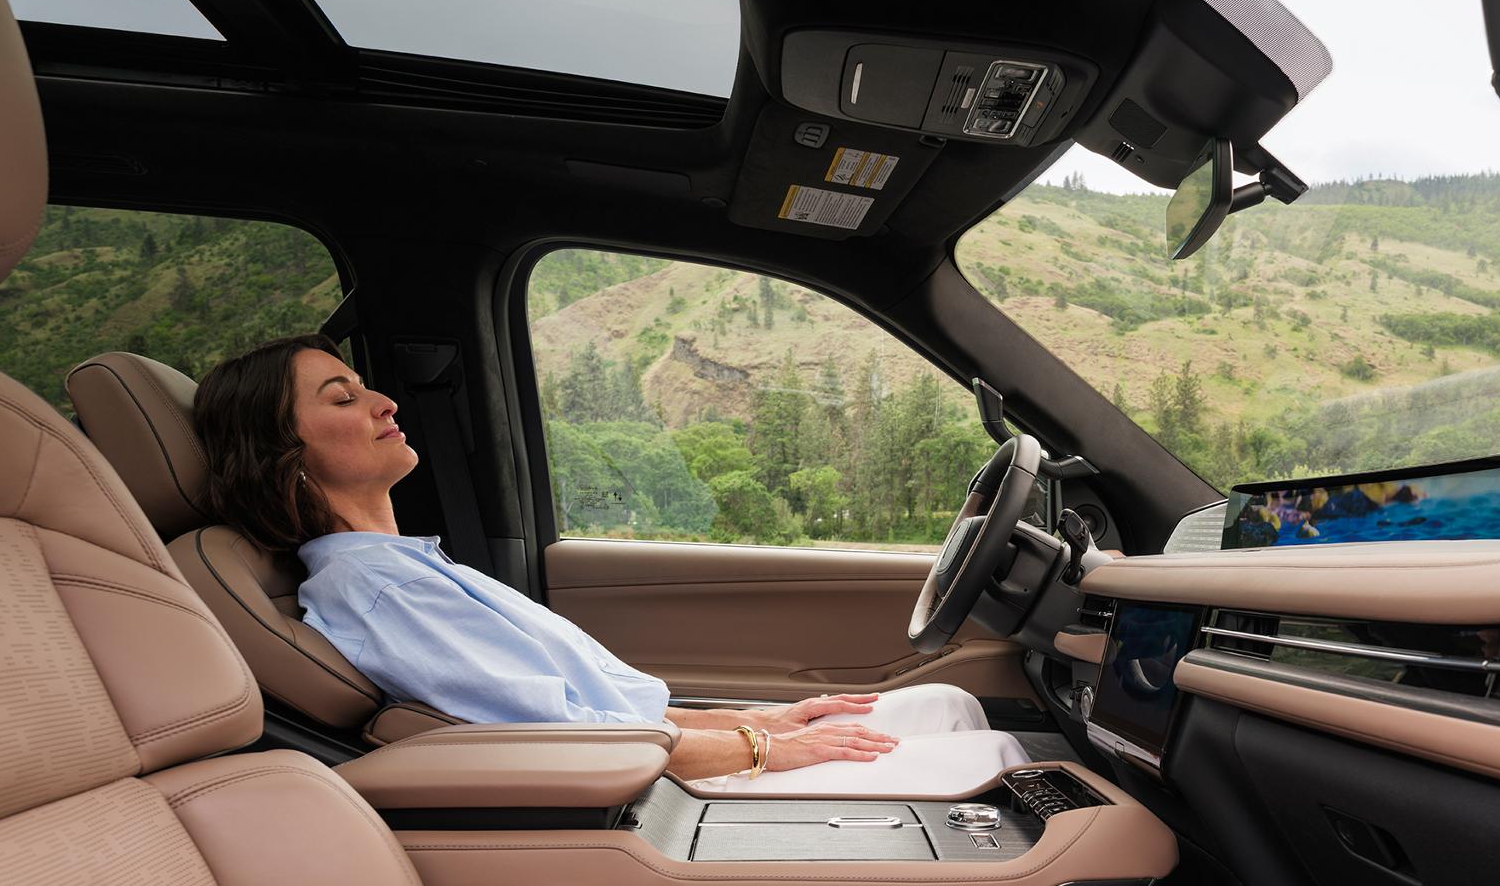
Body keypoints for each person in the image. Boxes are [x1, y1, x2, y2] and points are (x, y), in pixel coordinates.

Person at [191, 333, 1030, 792]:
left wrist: (773, 721)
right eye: (342, 398)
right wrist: (765, 752)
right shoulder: (371, 589)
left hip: (667, 756)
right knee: (990, 761)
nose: (383, 401)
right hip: (658, 792)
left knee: (951, 702)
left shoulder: (406, 567)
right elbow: (569, 739)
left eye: (365, 384)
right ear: (283, 454)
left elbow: (607, 706)